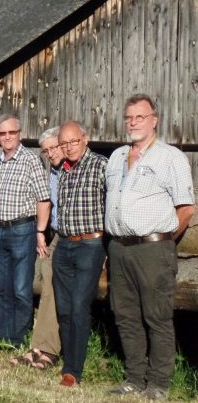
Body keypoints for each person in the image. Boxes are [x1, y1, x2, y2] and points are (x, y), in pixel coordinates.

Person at [107, 94, 194, 400]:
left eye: (139, 117)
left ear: (154, 120)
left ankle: (158, 384)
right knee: (125, 315)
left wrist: (166, 240)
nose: (133, 122)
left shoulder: (170, 157)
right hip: (119, 248)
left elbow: (185, 207)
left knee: (157, 316)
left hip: (153, 249)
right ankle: (134, 378)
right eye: (129, 117)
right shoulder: (117, 157)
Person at [52, 120, 107, 387]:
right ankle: (67, 361)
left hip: (90, 245)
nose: (70, 147)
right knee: (63, 309)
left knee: (78, 307)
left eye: (74, 141)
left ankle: (74, 370)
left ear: (85, 139)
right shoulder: (63, 170)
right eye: (64, 143)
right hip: (64, 245)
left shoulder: (100, 166)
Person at [0, 114, 50, 347]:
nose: (7, 137)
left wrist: (40, 232)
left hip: (22, 229)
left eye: (11, 133)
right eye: (2, 134)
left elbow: (43, 199)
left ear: (19, 134)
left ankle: (20, 339)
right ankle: (3, 338)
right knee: (0, 288)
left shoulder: (31, 160)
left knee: (22, 288)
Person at [10, 126, 64, 369]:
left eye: (54, 147)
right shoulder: (52, 171)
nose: (50, 153)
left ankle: (48, 349)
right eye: (46, 150)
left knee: (52, 287)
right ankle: (39, 346)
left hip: (81, 239)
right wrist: (42, 234)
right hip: (56, 236)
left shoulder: (83, 167)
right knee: (41, 284)